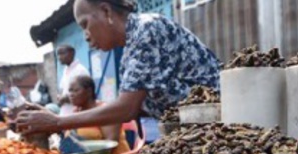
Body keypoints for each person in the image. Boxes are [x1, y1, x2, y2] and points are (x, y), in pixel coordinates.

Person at [16, 0, 220, 136]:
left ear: (106, 12)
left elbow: (127, 108)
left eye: (85, 24)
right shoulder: (129, 51)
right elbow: (132, 107)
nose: (86, 36)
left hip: (218, 130)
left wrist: (58, 122)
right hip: (190, 133)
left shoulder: (147, 29)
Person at [69, 75, 130, 154]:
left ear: (89, 91)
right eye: (70, 91)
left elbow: (111, 146)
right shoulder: (76, 112)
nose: (71, 94)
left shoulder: (106, 112)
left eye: (76, 90)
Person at [57, 45, 90, 117]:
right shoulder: (65, 70)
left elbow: (85, 95)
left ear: (72, 53)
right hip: (65, 113)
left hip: (76, 115)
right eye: (58, 54)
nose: (59, 57)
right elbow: (62, 89)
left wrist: (66, 99)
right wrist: (60, 97)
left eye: (62, 54)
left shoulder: (80, 70)